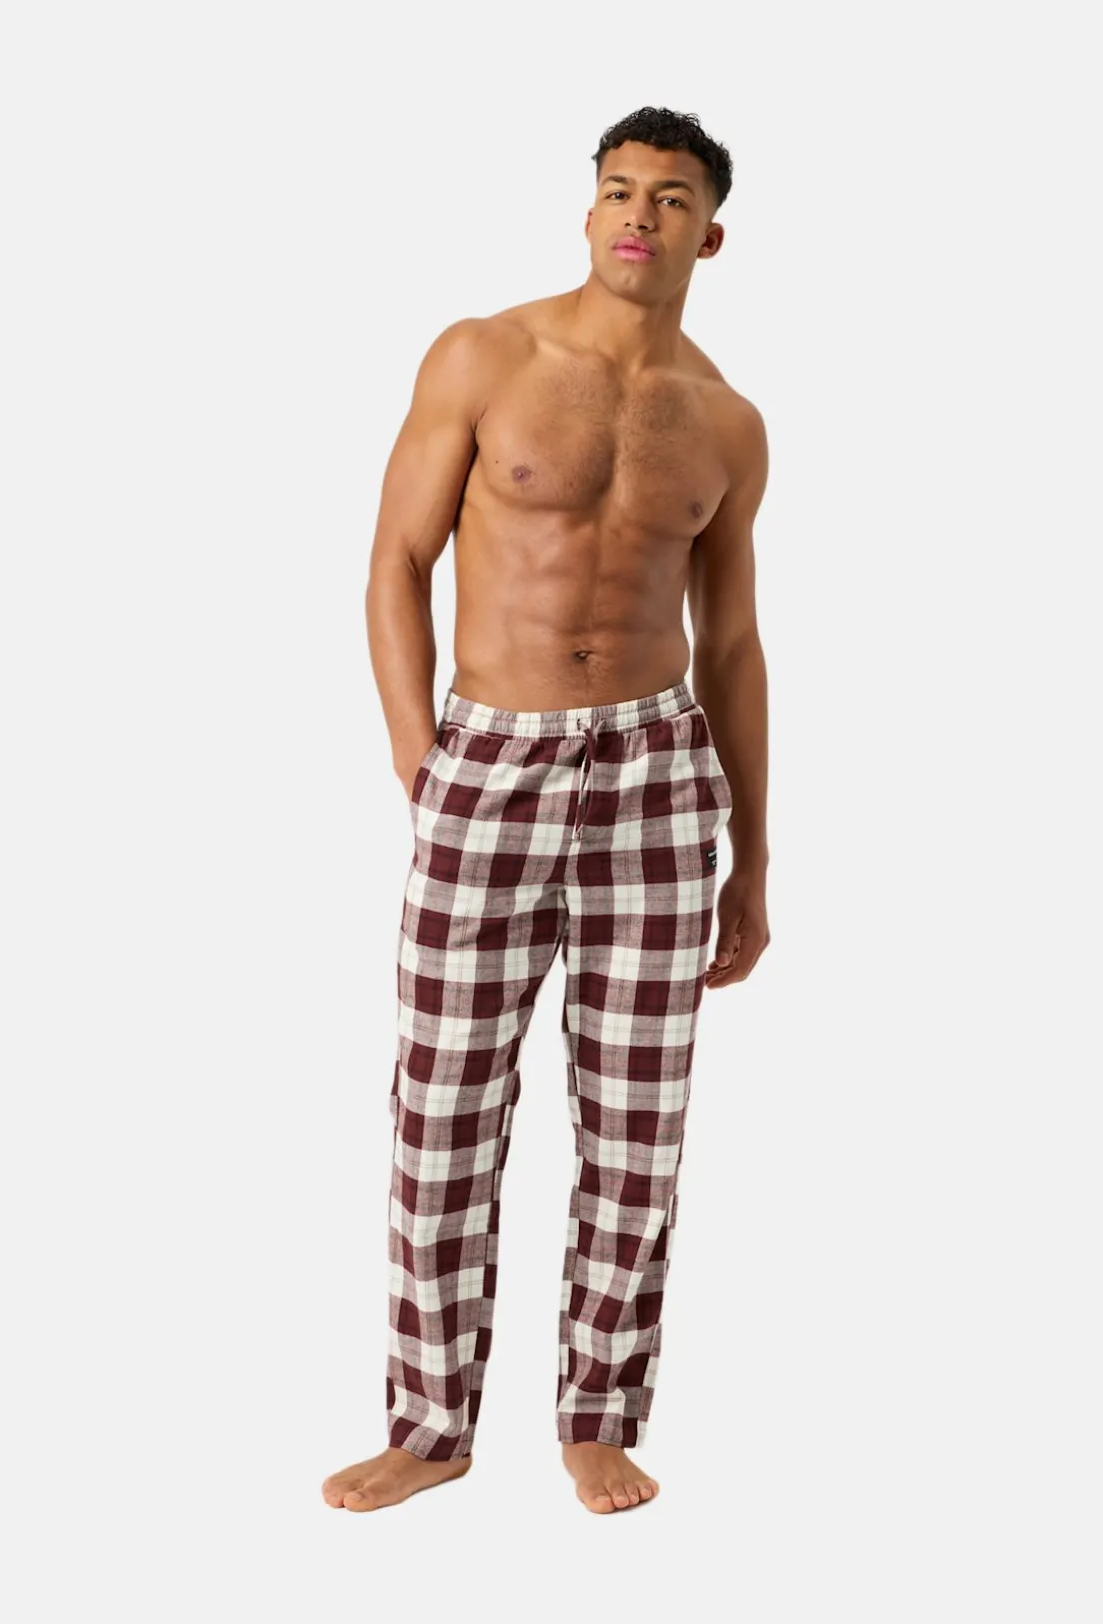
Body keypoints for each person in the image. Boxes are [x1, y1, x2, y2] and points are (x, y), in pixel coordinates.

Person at [322, 105, 770, 1516]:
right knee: (444, 1106)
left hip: (657, 774)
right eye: (619, 190)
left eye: (672, 197)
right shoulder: (484, 357)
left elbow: (734, 643)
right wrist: (425, 758)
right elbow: (394, 562)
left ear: (711, 234)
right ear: (588, 214)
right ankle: (431, 1427)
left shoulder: (727, 423)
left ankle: (597, 1418)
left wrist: (754, 859)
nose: (641, 214)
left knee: (638, 1123)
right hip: (490, 760)